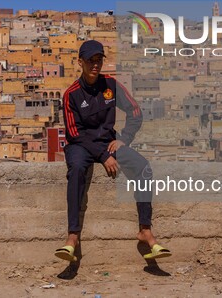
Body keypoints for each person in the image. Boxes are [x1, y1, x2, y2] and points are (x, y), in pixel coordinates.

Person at [55, 40, 171, 262]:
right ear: (80, 62)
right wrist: (103, 156)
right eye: (90, 60)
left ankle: (145, 230)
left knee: (143, 168)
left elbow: (135, 111)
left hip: (109, 142)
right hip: (82, 145)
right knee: (77, 169)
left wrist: (124, 139)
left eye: (99, 60)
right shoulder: (72, 94)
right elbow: (74, 133)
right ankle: (72, 237)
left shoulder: (111, 85)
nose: (95, 65)